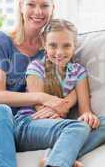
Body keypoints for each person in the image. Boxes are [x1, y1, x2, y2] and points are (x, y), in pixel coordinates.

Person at [0, 0, 104, 167]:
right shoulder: (2, 41)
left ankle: (59, 155)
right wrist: (44, 98)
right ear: (21, 6)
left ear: (52, 9)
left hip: (9, 125)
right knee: (1, 111)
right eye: (31, 4)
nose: (38, 11)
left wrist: (68, 105)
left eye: (44, 6)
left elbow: (72, 80)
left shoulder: (50, 51)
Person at [25, 18, 100, 166]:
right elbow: (43, 112)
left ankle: (57, 156)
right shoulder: (36, 68)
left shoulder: (78, 71)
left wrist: (88, 116)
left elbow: (85, 111)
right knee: (77, 128)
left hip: (65, 126)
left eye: (66, 46)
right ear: (44, 45)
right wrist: (72, 97)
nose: (59, 52)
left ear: (74, 46)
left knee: (100, 123)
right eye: (53, 45)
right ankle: (61, 158)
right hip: (34, 124)